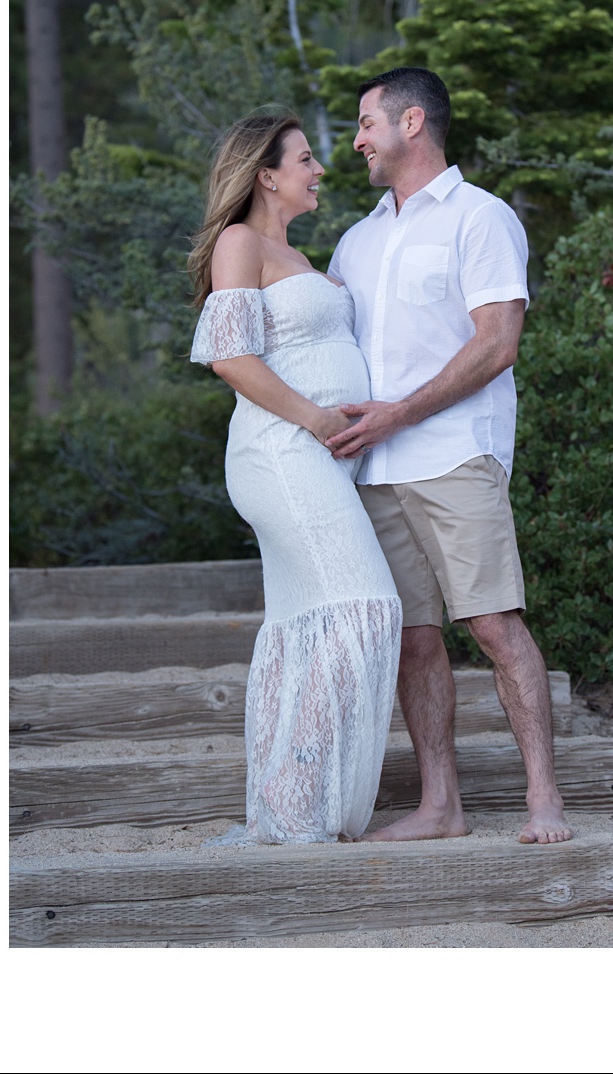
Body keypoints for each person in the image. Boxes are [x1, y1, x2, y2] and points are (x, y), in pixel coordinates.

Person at [325, 66, 572, 845]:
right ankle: (442, 806)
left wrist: (400, 414)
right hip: (375, 468)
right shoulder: (357, 240)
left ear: (412, 124)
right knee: (413, 639)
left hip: (455, 455)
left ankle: (544, 800)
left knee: (494, 627)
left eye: (367, 122)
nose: (357, 138)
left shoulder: (480, 218)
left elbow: (497, 344)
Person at [187, 112, 404, 844]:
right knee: (363, 604)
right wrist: (315, 419)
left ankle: (286, 807)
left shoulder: (304, 258)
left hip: (317, 460)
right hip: (280, 452)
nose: (320, 169)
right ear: (266, 174)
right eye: (306, 158)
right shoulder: (240, 242)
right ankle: (292, 795)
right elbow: (230, 357)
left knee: (302, 624)